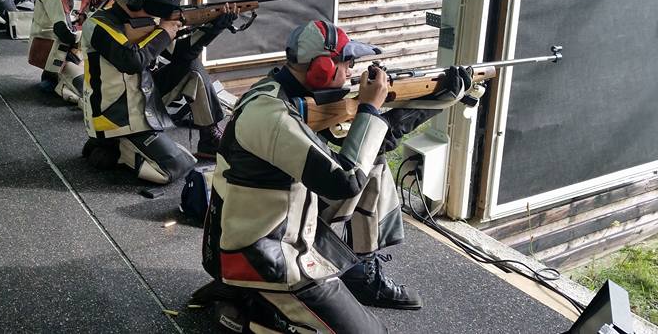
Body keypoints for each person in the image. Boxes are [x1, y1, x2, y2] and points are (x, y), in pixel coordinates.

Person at [198, 20, 474, 333]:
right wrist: (369, 107)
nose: (353, 73)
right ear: (322, 67)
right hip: (261, 252)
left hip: (273, 225)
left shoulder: (280, 92)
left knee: (372, 161)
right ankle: (252, 311)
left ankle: (359, 273)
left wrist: (439, 99)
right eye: (348, 63)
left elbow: (372, 144)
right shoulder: (272, 114)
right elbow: (345, 181)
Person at [79, 0, 232, 184]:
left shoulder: (145, 24)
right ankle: (116, 147)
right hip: (117, 115)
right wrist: (164, 31)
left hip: (141, 97)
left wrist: (214, 28)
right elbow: (131, 60)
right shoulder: (97, 24)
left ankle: (209, 138)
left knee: (191, 66)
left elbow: (182, 55)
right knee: (175, 166)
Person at [28, 0, 112, 105]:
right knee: (91, 91)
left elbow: (100, 5)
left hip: (75, 48)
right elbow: (64, 32)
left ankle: (57, 81)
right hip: (54, 50)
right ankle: (55, 78)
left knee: (104, 83)